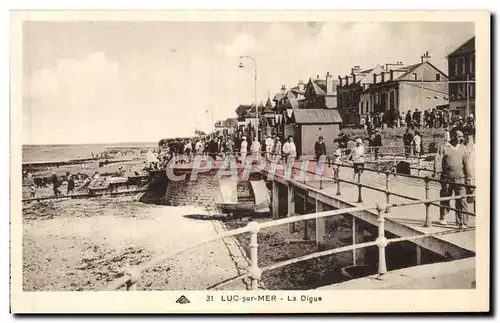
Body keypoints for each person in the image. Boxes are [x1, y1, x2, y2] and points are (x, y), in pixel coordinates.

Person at [433, 129, 473, 228]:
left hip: (460, 178)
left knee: (461, 200)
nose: (462, 138)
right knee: (445, 198)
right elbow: (438, 159)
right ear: (454, 136)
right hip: (447, 178)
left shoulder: (463, 148)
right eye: (460, 136)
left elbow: (467, 164)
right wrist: (436, 171)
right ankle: (443, 217)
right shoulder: (444, 147)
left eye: (462, 136)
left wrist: (468, 178)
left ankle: (462, 222)